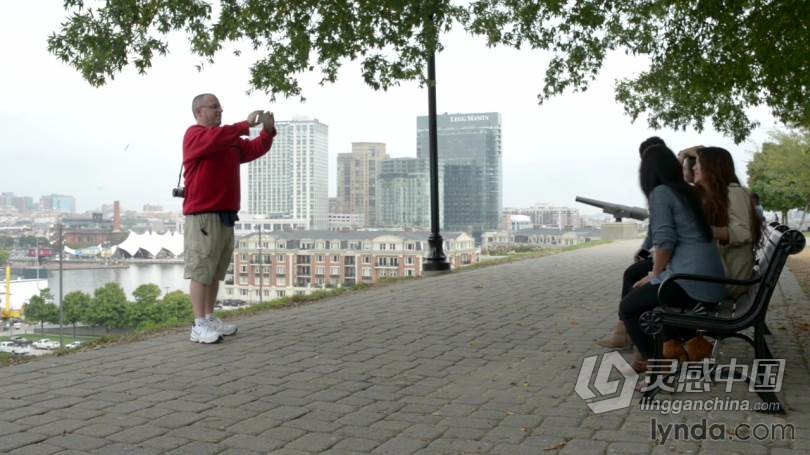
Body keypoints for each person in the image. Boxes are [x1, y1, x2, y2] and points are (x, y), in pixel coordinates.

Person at [619, 144, 726, 371]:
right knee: (649, 294)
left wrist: (656, 276)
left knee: (629, 306)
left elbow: (665, 243)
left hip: (694, 283)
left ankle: (655, 361)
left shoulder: (661, 193)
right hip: (710, 280)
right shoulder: (686, 192)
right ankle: (687, 346)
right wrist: (657, 275)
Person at [183, 93, 276, 344]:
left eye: (220, 107)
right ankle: (198, 324)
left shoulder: (227, 140)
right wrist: (246, 125)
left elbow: (255, 148)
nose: (220, 110)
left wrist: (267, 133)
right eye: (214, 107)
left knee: (214, 271)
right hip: (202, 215)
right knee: (201, 270)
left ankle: (209, 317)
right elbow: (220, 137)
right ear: (199, 112)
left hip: (224, 214)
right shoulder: (195, 135)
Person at [597, 137, 664, 348]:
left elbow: (664, 234)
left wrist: (655, 268)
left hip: (685, 272)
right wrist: (646, 251)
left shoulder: (662, 191)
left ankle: (628, 334)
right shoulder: (668, 187)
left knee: (633, 276)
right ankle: (625, 331)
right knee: (634, 272)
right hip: (685, 264)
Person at [693, 147, 762, 299]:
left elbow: (744, 233)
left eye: (697, 163)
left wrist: (704, 230)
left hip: (730, 281)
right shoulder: (723, 195)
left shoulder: (734, 192)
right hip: (725, 276)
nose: (693, 167)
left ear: (711, 167)